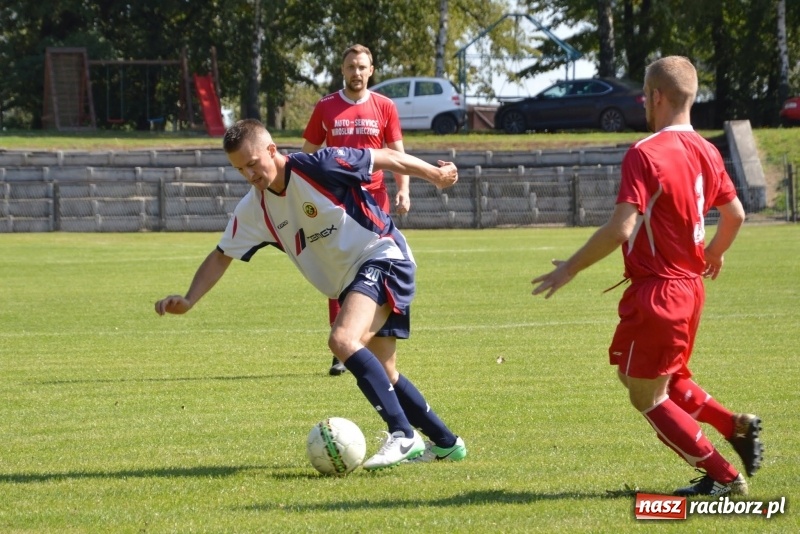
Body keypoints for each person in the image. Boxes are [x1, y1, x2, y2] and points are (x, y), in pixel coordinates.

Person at [154, 119, 466, 470]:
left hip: (382, 255)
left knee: (343, 340)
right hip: (352, 280)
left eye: (253, 164)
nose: (249, 175)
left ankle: (402, 434)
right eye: (240, 169)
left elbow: (386, 158)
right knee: (384, 370)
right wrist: (190, 298)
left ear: (272, 150)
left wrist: (436, 176)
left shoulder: (322, 164)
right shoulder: (254, 208)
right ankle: (446, 443)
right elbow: (221, 254)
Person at [530, 56, 762, 497]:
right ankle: (734, 426)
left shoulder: (645, 151)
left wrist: (571, 268)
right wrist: (713, 252)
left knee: (646, 396)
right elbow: (735, 213)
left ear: (655, 97)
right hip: (689, 289)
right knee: (653, 379)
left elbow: (622, 227)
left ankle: (724, 479)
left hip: (660, 291)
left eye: (644, 95)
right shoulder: (708, 150)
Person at [302, 44, 411, 377]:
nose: (356, 73)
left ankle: (365, 342)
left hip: (375, 204)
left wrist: (404, 189)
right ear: (342, 69)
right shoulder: (326, 107)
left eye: (362, 67)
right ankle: (343, 350)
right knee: (340, 273)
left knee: (375, 271)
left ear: (371, 70)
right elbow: (306, 156)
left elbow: (397, 154)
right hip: (338, 202)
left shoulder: (385, 107)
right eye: (351, 67)